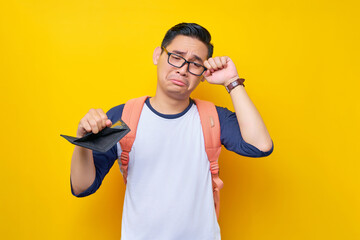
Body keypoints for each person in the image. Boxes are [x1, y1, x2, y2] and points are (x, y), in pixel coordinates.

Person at [70, 22, 274, 240]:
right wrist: (84, 140)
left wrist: (232, 82)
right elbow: (82, 186)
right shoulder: (125, 117)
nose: (183, 69)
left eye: (195, 64)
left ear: (204, 73)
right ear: (158, 55)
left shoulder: (213, 118)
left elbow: (261, 146)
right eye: (176, 56)